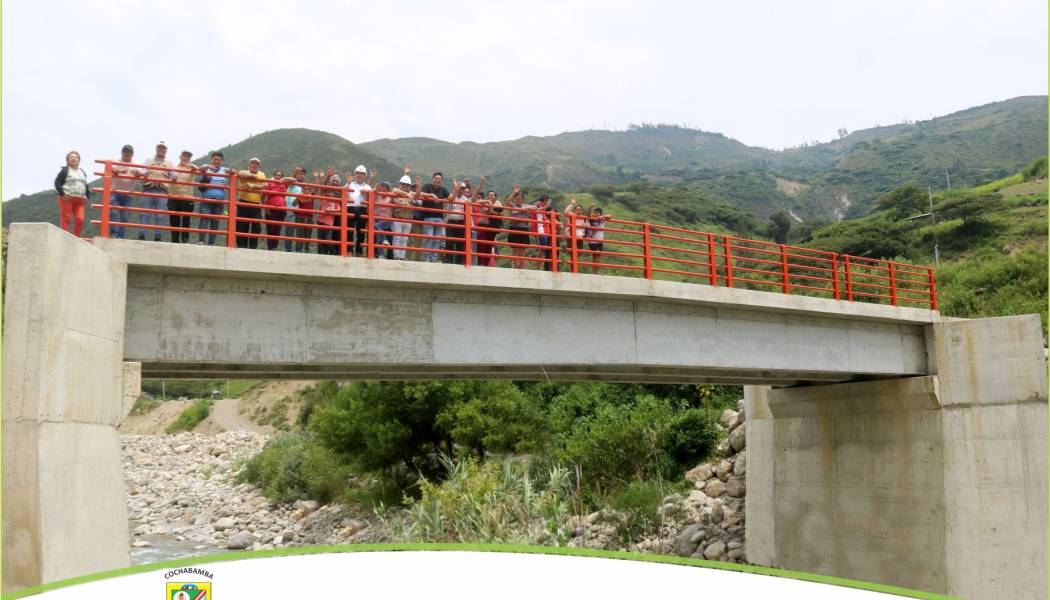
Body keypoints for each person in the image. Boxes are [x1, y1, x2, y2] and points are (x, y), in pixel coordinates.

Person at [138, 141, 173, 241]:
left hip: (162, 190)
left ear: (166, 150)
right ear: (156, 148)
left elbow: (173, 175)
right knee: (144, 213)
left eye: (163, 148)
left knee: (160, 215)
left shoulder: (170, 163)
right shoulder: (148, 160)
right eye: (160, 147)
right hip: (148, 188)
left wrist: (173, 178)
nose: (161, 149)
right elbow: (143, 171)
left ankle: (158, 236)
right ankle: (142, 234)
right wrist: (143, 175)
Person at [53, 150, 91, 236]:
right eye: (71, 157)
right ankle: (64, 237)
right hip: (67, 198)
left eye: (76, 157)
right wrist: (62, 194)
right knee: (66, 218)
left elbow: (85, 185)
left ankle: (76, 238)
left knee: (80, 219)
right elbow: (57, 182)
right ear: (67, 160)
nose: (74, 159)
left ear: (79, 160)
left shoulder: (82, 171)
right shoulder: (65, 170)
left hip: (80, 200)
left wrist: (87, 196)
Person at [196, 151, 230, 246]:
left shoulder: (224, 170)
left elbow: (235, 172)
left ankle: (211, 243)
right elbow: (199, 169)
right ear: (212, 160)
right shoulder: (207, 168)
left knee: (215, 222)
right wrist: (207, 167)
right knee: (204, 220)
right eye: (215, 159)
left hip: (219, 201)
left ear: (222, 161)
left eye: (219, 160)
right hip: (207, 199)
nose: (217, 161)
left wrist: (229, 169)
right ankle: (201, 241)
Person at [234, 157, 267, 249]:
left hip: (256, 203)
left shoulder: (262, 174)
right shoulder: (245, 172)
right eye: (252, 163)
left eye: (256, 164)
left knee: (256, 226)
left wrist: (252, 185)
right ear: (249, 165)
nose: (254, 165)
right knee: (242, 225)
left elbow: (265, 186)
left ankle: (253, 247)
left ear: (259, 166)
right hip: (244, 202)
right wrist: (252, 177)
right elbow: (239, 174)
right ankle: (241, 246)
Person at [109, 144, 141, 239]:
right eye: (125, 151)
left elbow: (141, 172)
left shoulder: (135, 165)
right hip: (115, 192)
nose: (127, 154)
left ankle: (120, 236)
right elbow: (112, 168)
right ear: (122, 153)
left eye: (129, 152)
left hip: (128, 194)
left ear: (132, 154)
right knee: (114, 212)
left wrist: (137, 172)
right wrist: (119, 170)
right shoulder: (116, 161)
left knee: (124, 217)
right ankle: (114, 233)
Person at [417, 172, 449, 262]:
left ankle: (433, 259)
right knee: (429, 238)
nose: (437, 180)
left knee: (437, 240)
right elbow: (420, 194)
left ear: (441, 180)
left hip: (439, 218)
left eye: (439, 179)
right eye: (436, 178)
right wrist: (431, 195)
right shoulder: (427, 186)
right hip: (428, 217)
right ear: (433, 179)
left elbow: (451, 198)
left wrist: (456, 189)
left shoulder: (443, 189)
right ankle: (427, 259)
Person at [168, 150, 198, 243]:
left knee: (186, 219)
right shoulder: (174, 168)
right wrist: (172, 178)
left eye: (188, 157)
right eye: (184, 156)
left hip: (187, 197)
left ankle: (185, 239)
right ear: (180, 157)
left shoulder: (192, 169)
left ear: (190, 159)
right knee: (174, 219)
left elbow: (197, 168)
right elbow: (168, 179)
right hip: (174, 196)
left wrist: (190, 165)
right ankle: (174, 240)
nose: (185, 158)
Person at [388, 171, 419, 260]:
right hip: (397, 218)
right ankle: (396, 255)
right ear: (400, 184)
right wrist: (407, 194)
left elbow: (418, 193)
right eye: (403, 184)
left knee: (404, 239)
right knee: (397, 237)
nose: (405, 186)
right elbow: (394, 190)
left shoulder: (411, 194)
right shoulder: (396, 191)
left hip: (408, 219)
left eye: (407, 185)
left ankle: (402, 256)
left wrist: (418, 185)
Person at [346, 165, 375, 257]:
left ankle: (359, 252)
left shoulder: (368, 187)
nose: (359, 175)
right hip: (350, 208)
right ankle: (349, 251)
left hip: (362, 209)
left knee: (361, 232)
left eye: (362, 174)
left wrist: (367, 192)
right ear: (354, 175)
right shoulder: (350, 183)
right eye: (357, 173)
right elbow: (342, 192)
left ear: (364, 175)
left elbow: (372, 198)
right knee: (349, 231)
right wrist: (348, 183)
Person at [444, 178, 471, 265]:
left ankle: (459, 262)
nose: (461, 190)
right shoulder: (452, 195)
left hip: (461, 223)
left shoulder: (465, 199)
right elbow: (451, 200)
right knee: (450, 242)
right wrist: (455, 189)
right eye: (459, 188)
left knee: (460, 243)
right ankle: (449, 261)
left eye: (462, 189)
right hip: (451, 221)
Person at [316, 172, 342, 255]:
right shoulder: (324, 196)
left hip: (332, 220)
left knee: (330, 238)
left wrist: (331, 210)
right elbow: (322, 187)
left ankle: (333, 252)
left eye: (336, 181)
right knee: (321, 238)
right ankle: (321, 254)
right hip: (321, 220)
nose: (329, 193)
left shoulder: (340, 192)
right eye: (333, 181)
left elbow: (340, 209)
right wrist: (328, 176)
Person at [263, 170, 291, 250]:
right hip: (271, 209)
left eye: (280, 176)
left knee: (277, 229)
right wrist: (266, 208)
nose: (278, 177)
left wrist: (284, 179)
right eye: (276, 175)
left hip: (281, 210)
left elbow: (293, 179)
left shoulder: (284, 185)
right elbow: (264, 197)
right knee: (270, 229)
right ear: (273, 176)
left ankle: (274, 247)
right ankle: (270, 247)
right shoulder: (269, 183)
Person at [504, 186, 531, 269]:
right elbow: (507, 202)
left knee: (522, 250)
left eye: (520, 198)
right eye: (517, 198)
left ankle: (521, 267)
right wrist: (514, 192)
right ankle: (515, 267)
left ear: (523, 200)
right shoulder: (512, 205)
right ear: (515, 199)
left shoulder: (525, 205)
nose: (518, 200)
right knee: (515, 249)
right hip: (514, 228)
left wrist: (527, 208)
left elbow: (536, 208)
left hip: (524, 229)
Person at [532, 194, 556, 271]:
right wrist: (547, 206)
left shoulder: (543, 210)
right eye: (546, 201)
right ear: (543, 201)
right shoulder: (536, 206)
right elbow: (536, 209)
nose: (547, 204)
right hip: (539, 231)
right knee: (542, 249)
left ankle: (539, 267)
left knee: (543, 249)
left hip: (544, 231)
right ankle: (538, 267)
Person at [372, 181, 395, 258]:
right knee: (379, 237)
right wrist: (376, 188)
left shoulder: (390, 197)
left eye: (386, 189)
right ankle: (380, 254)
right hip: (378, 220)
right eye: (382, 189)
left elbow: (396, 196)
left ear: (388, 190)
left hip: (387, 220)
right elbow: (372, 193)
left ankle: (385, 241)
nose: (383, 191)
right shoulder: (377, 196)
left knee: (376, 227)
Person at [587, 205, 612, 274]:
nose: (596, 214)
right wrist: (590, 208)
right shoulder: (592, 219)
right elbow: (588, 216)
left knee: (598, 256)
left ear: (600, 213)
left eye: (597, 213)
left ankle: (595, 271)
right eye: (595, 212)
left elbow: (610, 216)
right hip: (593, 241)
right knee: (596, 255)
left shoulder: (602, 220)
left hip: (600, 241)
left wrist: (601, 217)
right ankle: (594, 271)